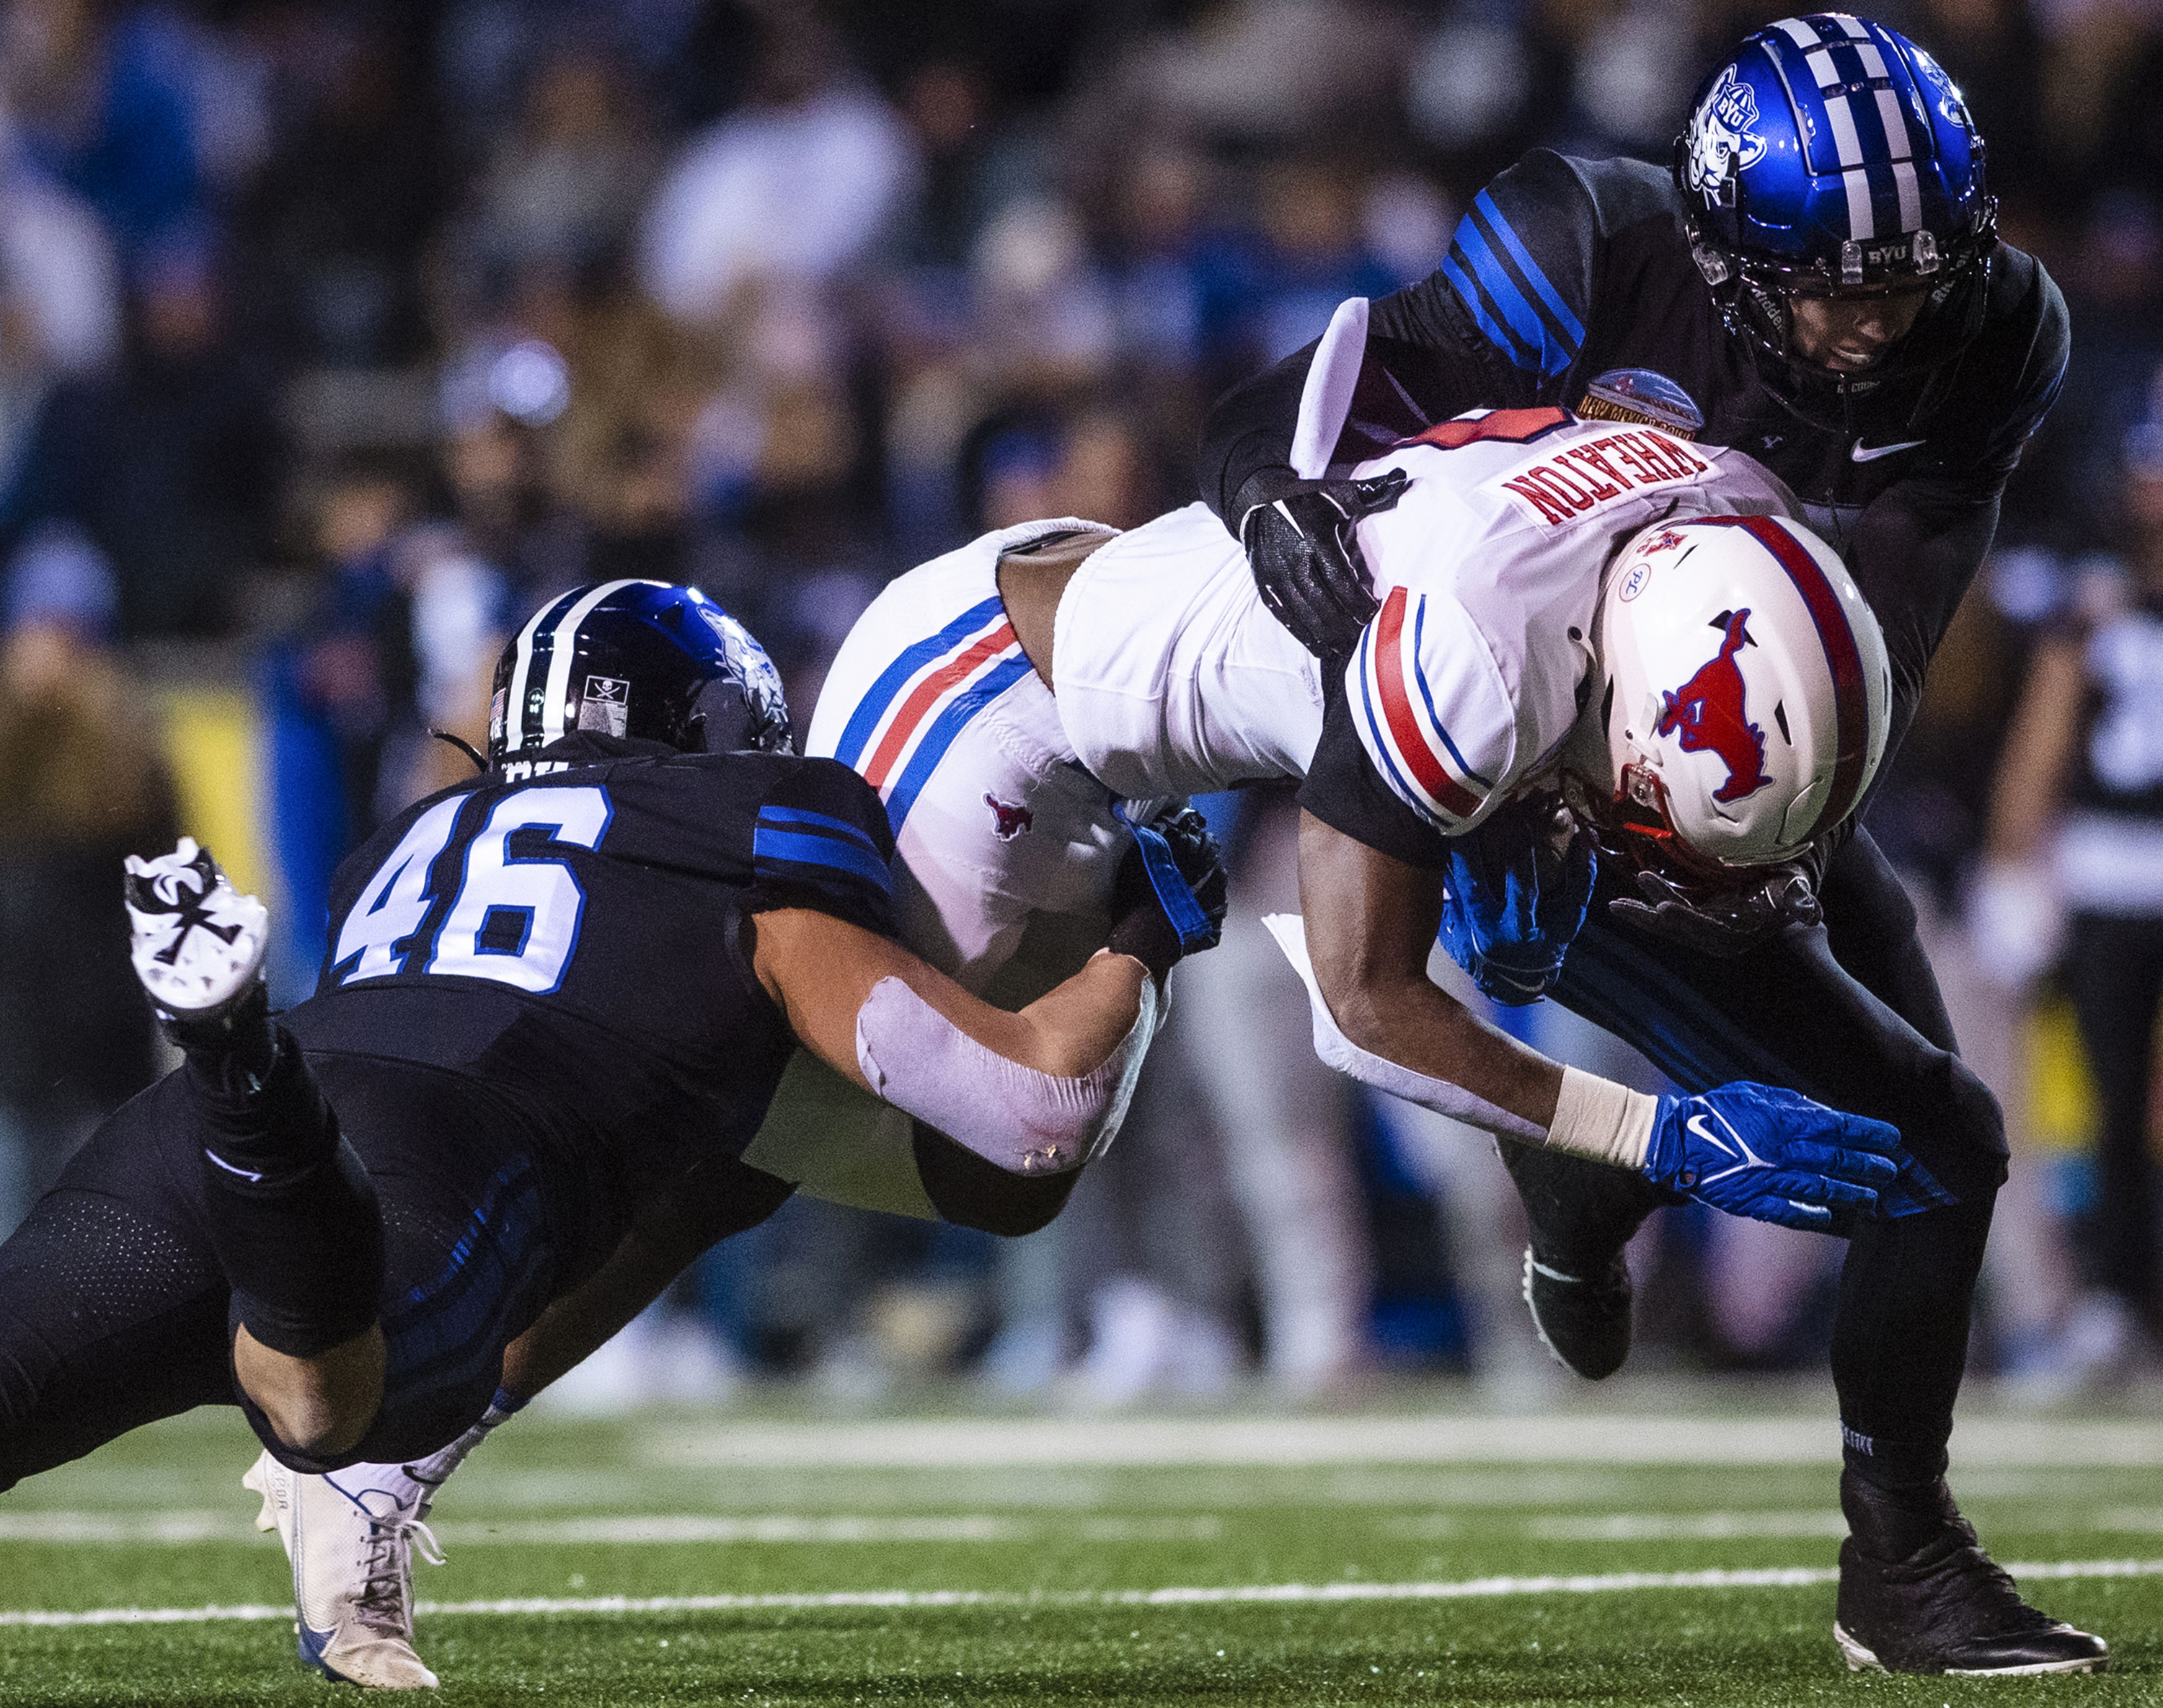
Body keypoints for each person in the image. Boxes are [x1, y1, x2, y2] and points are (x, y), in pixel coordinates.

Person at [271, 407, 1945, 1689]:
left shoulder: (1713, 495)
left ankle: (391, 1404)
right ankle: (380, 1425)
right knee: (915, 1140)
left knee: (792, 1145)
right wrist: (1651, 1136)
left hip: (1109, 624)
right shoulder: (1476, 656)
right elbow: (1366, 1011)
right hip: (987, 719)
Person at [1196, 14, 2089, 1676]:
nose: (1874, 324)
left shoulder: (1996, 332)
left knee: (1918, 1108)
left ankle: (1588, 1181)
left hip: (1720, 763)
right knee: (1938, 1145)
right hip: (1482, 740)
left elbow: (1879, 625)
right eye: (1832, 285)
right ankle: (1902, 1560)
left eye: (1909, 281)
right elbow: (1294, 409)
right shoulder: (1588, 243)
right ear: (1727, 245)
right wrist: (1274, 507)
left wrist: (1761, 830)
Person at [0, 578, 1224, 1690]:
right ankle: (246, 1076)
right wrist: (1149, 933)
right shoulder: (754, 822)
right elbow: (1031, 1119)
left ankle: (240, 1069)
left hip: (189, 1138)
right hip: (442, 1151)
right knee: (324, 1403)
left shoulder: (407, 842)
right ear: (714, 726)